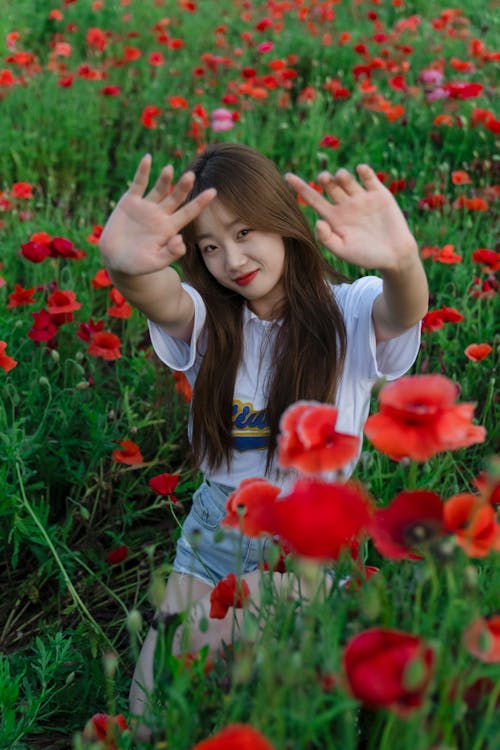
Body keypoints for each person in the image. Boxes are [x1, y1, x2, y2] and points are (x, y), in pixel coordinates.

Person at [98, 142, 428, 729]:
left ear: (281, 219)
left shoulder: (348, 312)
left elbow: (402, 311)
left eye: (245, 231)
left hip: (307, 537)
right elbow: (161, 295)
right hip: (214, 530)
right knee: (146, 714)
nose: (233, 258)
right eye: (210, 247)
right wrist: (125, 267)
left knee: (219, 667)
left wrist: (402, 260)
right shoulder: (208, 320)